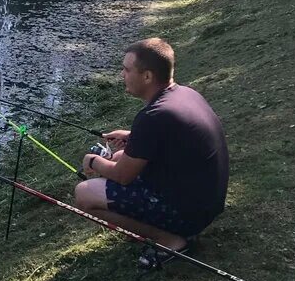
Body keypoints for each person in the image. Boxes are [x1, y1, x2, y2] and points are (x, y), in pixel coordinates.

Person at [74, 38, 229, 257]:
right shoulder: (184, 94)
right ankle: (161, 229)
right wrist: (132, 136)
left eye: (127, 70)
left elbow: (122, 176)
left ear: (147, 76)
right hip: (206, 202)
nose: (122, 75)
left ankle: (170, 240)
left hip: (188, 214)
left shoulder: (153, 117)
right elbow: (172, 136)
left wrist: (93, 162)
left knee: (85, 194)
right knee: (119, 154)